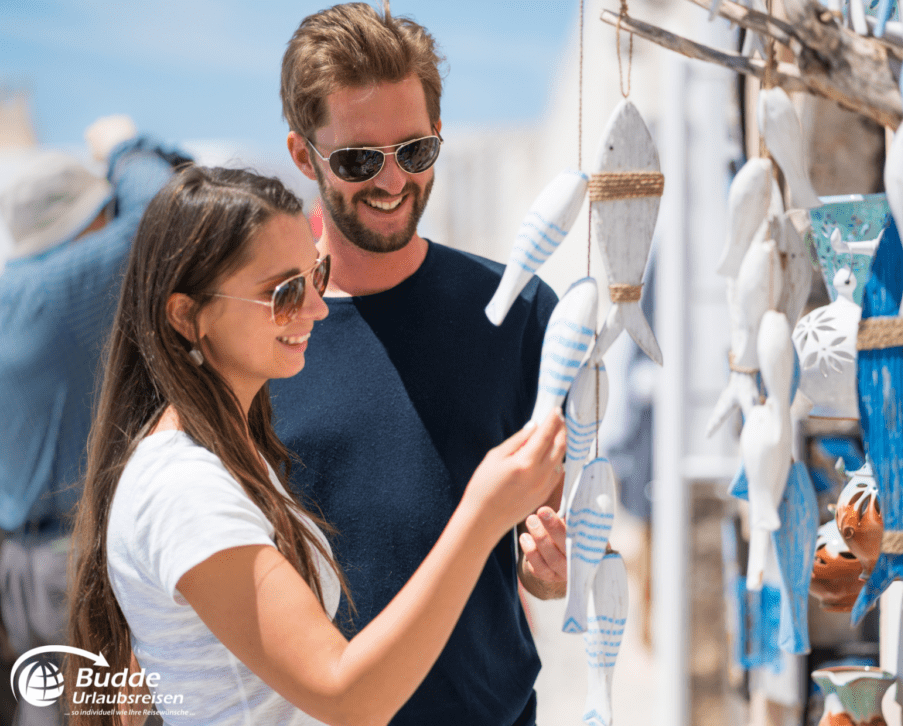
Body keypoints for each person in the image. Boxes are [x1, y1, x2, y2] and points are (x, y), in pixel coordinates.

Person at [65, 165, 566, 726]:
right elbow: (347, 697)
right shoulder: (184, 488)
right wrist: (481, 516)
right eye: (282, 293)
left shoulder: (229, 452)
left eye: (315, 275)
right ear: (187, 316)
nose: (317, 308)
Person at [273, 5, 569, 724]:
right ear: (304, 156)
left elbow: (556, 538)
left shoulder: (522, 314)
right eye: (356, 160)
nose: (391, 180)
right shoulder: (266, 339)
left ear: (439, 136)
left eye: (415, 151)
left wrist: (554, 570)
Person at [0, 117, 189, 726]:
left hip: (19, 565)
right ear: (84, 224)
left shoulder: (13, 295)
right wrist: (123, 144)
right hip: (73, 564)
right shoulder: (63, 288)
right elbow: (160, 205)